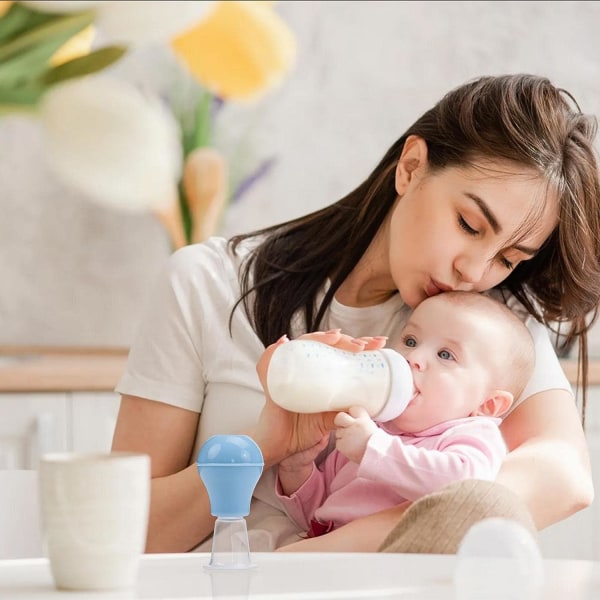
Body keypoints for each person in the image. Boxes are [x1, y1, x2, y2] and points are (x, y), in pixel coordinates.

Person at [112, 73, 600, 554]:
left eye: (508, 259)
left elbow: (564, 477)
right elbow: (124, 532)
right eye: (469, 225)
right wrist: (265, 446)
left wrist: (316, 562)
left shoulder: (487, 325)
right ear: (410, 167)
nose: (473, 271)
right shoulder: (208, 283)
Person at [269, 291, 534, 542]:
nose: (414, 357)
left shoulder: (469, 435)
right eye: (410, 341)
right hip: (325, 550)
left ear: (487, 405)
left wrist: (373, 449)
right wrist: (298, 469)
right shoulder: (371, 426)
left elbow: (464, 489)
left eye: (445, 355)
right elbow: (317, 514)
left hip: (394, 563)